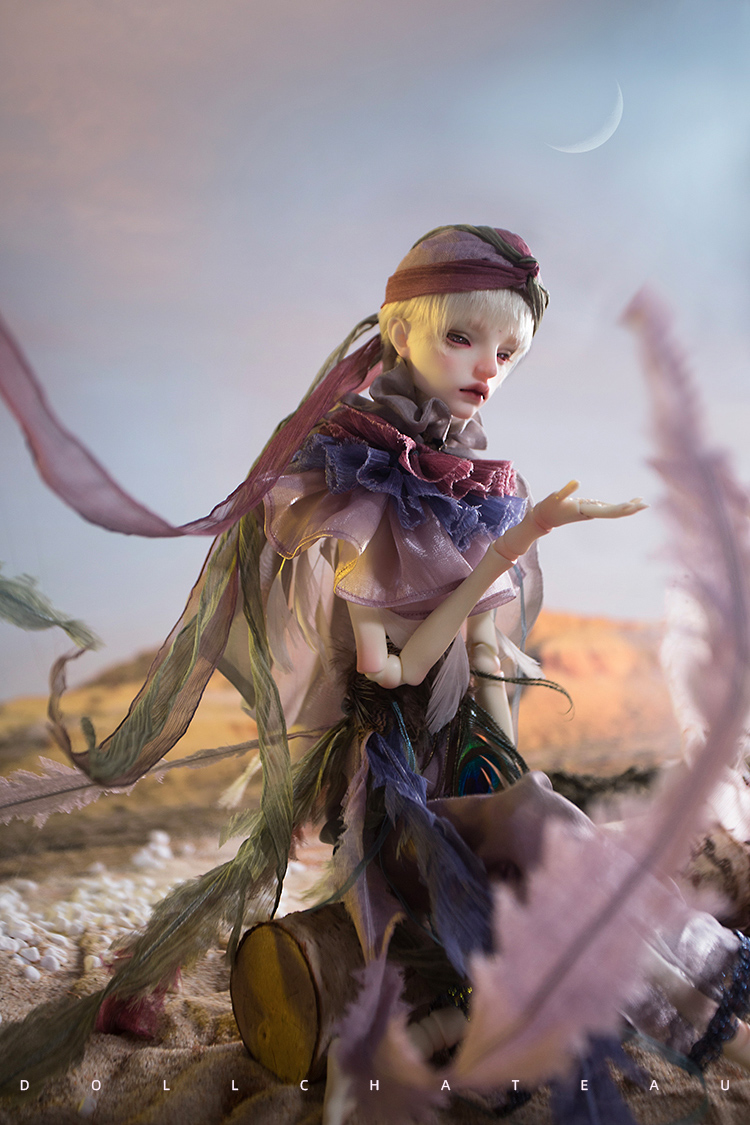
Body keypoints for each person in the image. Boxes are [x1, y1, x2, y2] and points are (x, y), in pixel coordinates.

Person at [0, 225, 748, 1118]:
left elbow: (487, 661)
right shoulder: (358, 482)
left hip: (464, 771)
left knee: (554, 831)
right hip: (394, 790)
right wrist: (515, 544)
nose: (487, 368)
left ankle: (707, 1006)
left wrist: (508, 761)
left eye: (508, 352)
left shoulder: (473, 477)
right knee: (546, 834)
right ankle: (717, 1017)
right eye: (462, 338)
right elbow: (390, 667)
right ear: (400, 331)